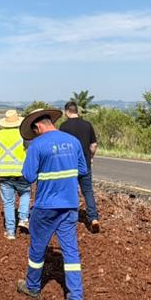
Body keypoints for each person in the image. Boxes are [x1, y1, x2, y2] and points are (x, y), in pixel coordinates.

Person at [16, 107, 88, 300]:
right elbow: (82, 170)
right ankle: (76, 299)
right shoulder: (73, 142)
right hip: (70, 205)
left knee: (37, 250)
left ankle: (32, 288)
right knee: (71, 250)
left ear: (38, 126)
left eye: (35, 131)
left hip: (45, 207)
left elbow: (28, 176)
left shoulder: (37, 145)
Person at [58, 100, 100, 233]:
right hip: (85, 165)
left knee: (69, 191)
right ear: (77, 111)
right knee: (87, 192)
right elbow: (93, 145)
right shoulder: (87, 125)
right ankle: (93, 218)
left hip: (68, 166)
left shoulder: (63, 127)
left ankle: (69, 217)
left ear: (67, 112)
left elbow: (60, 147)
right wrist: (91, 157)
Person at [0, 109, 30, 240]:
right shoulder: (23, 134)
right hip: (21, 172)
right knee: (25, 193)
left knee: (8, 203)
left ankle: (10, 232)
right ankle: (24, 218)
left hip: (3, 173)